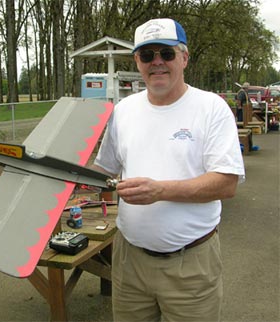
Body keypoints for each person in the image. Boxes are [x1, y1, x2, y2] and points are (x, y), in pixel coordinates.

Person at [93, 18, 245, 322]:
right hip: (129, 260)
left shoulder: (210, 108)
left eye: (167, 53)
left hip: (190, 265)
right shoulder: (124, 110)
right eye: (147, 55)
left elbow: (226, 183)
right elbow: (104, 172)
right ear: (137, 61)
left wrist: (160, 191)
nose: (157, 62)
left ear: (184, 58)